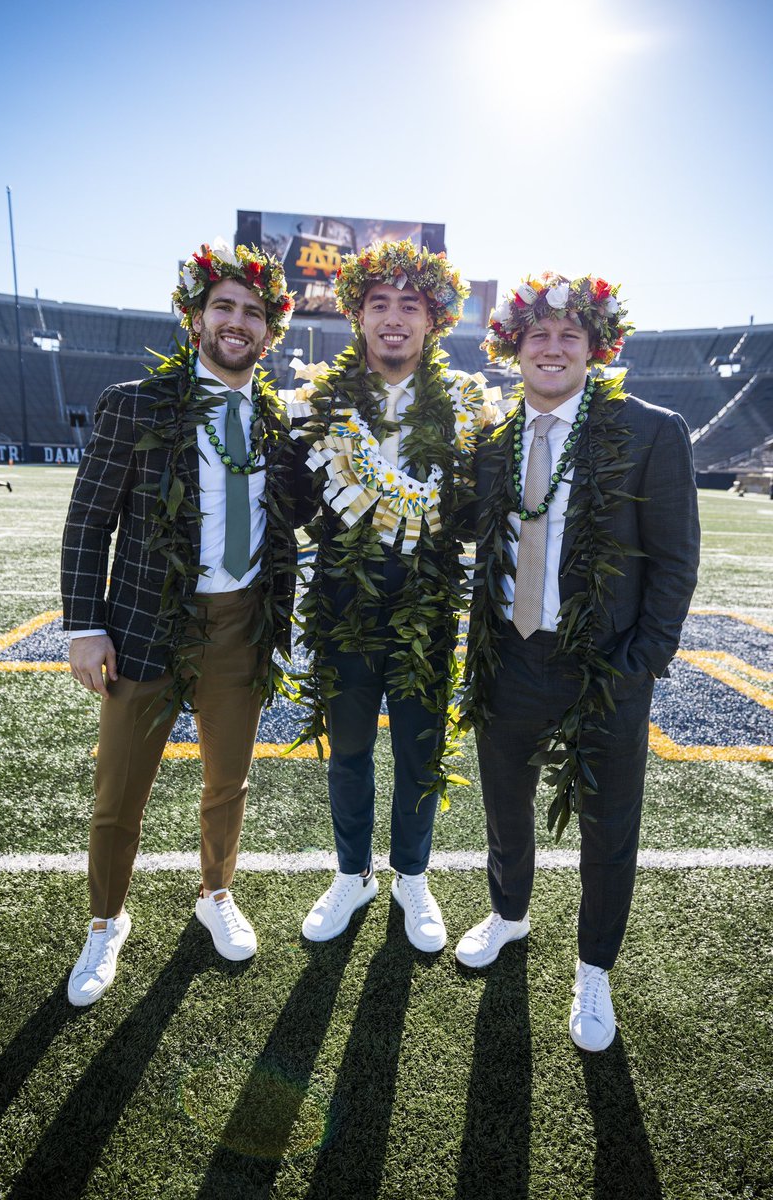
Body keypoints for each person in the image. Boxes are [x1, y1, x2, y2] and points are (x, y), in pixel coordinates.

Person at [457, 273, 700, 1051]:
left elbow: (675, 559)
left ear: (596, 346)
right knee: (505, 803)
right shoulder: (494, 441)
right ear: (513, 349)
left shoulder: (650, 430)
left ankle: (594, 968)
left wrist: (643, 660)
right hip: (511, 655)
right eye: (538, 336)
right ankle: (509, 913)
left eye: (569, 335)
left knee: (609, 822)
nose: (552, 348)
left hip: (607, 664)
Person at [61, 239, 301, 1005]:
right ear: (195, 316)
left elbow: (308, 519)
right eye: (223, 307)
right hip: (145, 623)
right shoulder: (134, 402)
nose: (237, 323)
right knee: (119, 788)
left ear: (271, 331)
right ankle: (105, 922)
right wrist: (83, 624)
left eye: (253, 313)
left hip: (241, 624)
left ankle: (215, 894)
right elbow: (87, 521)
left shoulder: (277, 418)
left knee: (227, 780)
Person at [293, 240, 496, 952]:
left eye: (410, 305)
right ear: (357, 315)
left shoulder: (470, 409)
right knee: (348, 752)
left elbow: (480, 517)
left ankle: (412, 874)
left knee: (418, 753)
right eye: (379, 303)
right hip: (343, 612)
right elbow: (286, 499)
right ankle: (353, 873)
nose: (393, 319)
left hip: (426, 616)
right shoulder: (318, 402)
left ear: (434, 320)